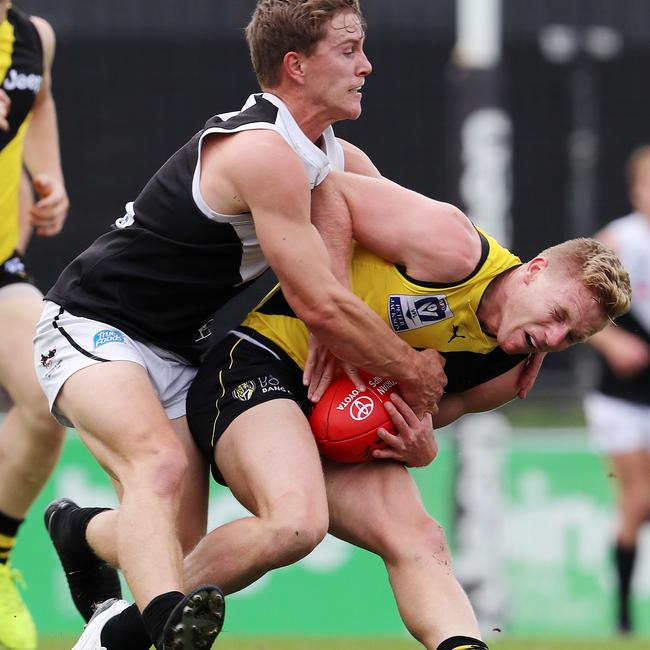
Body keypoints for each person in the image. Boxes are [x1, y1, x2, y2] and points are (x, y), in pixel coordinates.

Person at [49, 170, 632, 650]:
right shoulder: (451, 246)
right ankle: (120, 634)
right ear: (532, 270)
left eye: (572, 337)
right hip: (263, 367)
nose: (554, 340)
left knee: (419, 535)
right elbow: (332, 186)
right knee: (297, 524)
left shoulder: (511, 371)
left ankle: (462, 648)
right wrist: (327, 310)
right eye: (557, 315)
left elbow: (435, 409)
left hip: (342, 421)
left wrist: (423, 441)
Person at [35, 2, 452, 649]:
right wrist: (412, 369)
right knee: (159, 465)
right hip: (91, 323)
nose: (366, 65)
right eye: (348, 50)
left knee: (176, 541)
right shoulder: (262, 150)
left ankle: (81, 531)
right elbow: (321, 305)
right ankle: (164, 622)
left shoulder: (340, 161)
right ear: (296, 65)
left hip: (175, 350)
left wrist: (506, 304)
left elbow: (420, 253)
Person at [0, 2, 69, 648]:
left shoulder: (31, 38)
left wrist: (45, 175)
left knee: (50, 398)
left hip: (1, 269)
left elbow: (38, 96)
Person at [583, 145, 650, 635]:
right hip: (622, 395)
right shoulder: (620, 240)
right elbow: (579, 308)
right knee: (638, 501)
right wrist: (614, 342)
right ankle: (624, 616)